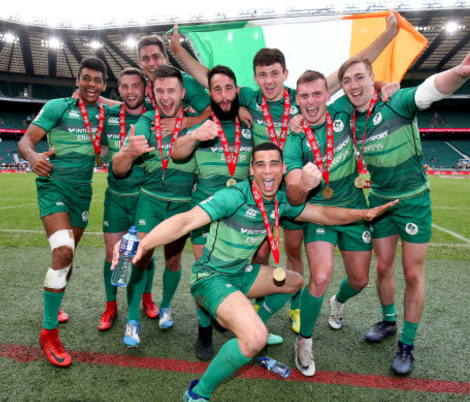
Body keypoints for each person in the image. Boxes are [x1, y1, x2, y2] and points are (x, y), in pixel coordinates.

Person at [113, 143, 397, 402]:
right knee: (254, 340)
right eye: (260, 164)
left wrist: (363, 215)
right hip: (210, 278)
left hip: (240, 274)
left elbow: (324, 215)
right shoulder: (233, 196)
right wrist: (144, 244)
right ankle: (197, 394)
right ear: (251, 170)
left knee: (295, 282)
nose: (267, 170)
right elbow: (186, 220)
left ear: (283, 169)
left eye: (274, 163)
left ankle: (253, 322)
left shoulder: (281, 202)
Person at [169, 14, 398, 334]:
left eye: (275, 74)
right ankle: (247, 304)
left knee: (293, 251)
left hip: (296, 189)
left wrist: (389, 34)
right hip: (262, 190)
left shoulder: (303, 99)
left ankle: (293, 307)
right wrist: (180, 52)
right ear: (256, 77)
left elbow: (349, 69)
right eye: (262, 75)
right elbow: (213, 80)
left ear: (284, 73)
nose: (269, 81)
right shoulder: (249, 97)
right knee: (262, 250)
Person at [333, 37, 470, 375]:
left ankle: (407, 344)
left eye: (360, 77)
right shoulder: (348, 116)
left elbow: (431, 89)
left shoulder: (398, 102)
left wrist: (461, 72)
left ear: (371, 78)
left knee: (412, 272)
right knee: (382, 268)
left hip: (413, 201)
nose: (353, 86)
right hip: (379, 203)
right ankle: (388, 321)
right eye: (346, 81)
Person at [17, 57, 109, 367]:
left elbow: (108, 146)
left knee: (66, 259)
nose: (91, 84)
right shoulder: (58, 106)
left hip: (82, 193)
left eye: (97, 80)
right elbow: (26, 141)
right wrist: (32, 157)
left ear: (104, 85)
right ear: (78, 80)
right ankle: (49, 333)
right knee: (64, 253)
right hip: (53, 185)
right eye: (86, 78)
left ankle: (54, 305)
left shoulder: (107, 115)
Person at [283, 70, 374, 377]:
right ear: (297, 99)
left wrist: (389, 87)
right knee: (320, 277)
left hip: (352, 210)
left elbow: (365, 83)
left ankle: (339, 301)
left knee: (360, 280)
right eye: (304, 96)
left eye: (317, 94)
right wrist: (302, 185)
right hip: (320, 213)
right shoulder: (293, 137)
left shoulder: (343, 110)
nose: (311, 102)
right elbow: (294, 196)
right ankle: (304, 340)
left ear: (328, 94)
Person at [171, 65, 255, 360]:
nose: (222, 95)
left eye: (228, 88)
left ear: (237, 91)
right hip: (205, 213)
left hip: (241, 215)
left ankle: (235, 317)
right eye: (216, 89)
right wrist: (194, 134)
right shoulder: (204, 125)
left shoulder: (250, 123)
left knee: (238, 273)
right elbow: (177, 152)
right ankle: (204, 329)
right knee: (205, 275)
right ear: (211, 94)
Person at [112, 65, 195, 345]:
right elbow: (119, 167)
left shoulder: (194, 123)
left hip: (182, 205)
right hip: (150, 201)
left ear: (183, 93)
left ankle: (166, 305)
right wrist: (129, 150)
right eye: (159, 91)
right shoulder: (147, 120)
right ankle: (132, 320)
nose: (166, 96)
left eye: (172, 90)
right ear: (153, 93)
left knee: (173, 260)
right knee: (140, 256)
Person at [98, 67, 157, 334]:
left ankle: (146, 297)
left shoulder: (156, 118)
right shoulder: (108, 116)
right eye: (125, 87)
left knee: (144, 255)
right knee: (112, 254)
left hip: (146, 197)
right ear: (118, 90)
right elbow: (97, 151)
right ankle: (111, 306)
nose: (131, 91)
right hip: (116, 197)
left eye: (136, 86)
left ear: (146, 89)